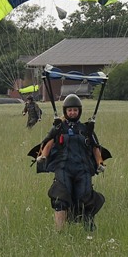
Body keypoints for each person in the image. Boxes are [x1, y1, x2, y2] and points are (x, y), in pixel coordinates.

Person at [35, 94, 106, 231]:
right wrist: (43, 156)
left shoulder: (86, 129)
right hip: (63, 168)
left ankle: (89, 230)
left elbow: (95, 148)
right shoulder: (58, 128)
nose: (72, 113)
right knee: (60, 198)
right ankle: (59, 231)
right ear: (65, 111)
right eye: (70, 110)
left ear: (79, 111)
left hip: (83, 169)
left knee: (86, 199)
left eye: (75, 110)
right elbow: (48, 143)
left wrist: (100, 163)